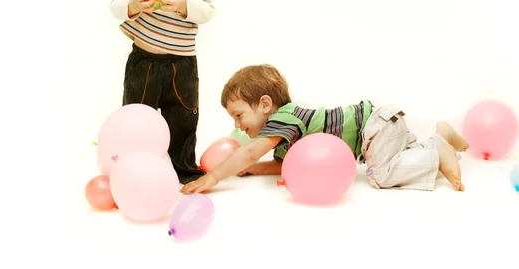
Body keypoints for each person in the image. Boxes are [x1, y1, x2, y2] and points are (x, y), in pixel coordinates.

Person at [181, 64, 469, 194]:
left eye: (239, 115)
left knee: (381, 175)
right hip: (381, 126)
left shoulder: (283, 119)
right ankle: (438, 137)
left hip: (374, 129)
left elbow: (251, 151)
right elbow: (283, 166)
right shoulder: (284, 138)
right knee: (397, 159)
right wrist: (253, 170)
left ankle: (438, 154)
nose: (237, 125)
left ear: (265, 105)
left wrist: (216, 177)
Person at [110, 0, 215, 184]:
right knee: (136, 116)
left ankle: (184, 169)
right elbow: (115, 5)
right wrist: (133, 4)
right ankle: (132, 167)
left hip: (181, 65)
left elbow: (207, 11)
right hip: (142, 61)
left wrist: (183, 5)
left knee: (183, 117)